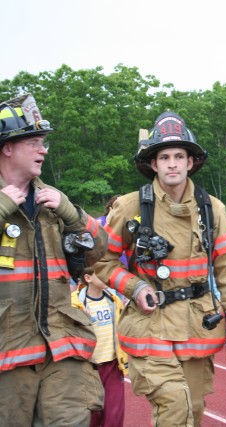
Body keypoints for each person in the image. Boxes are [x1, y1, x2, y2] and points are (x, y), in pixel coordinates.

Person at [94, 111, 226, 426]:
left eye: (179, 155)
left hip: (197, 328)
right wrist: (134, 287)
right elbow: (100, 261)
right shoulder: (131, 207)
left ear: (191, 162)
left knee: (192, 410)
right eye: (164, 157)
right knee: (175, 407)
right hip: (150, 328)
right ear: (153, 164)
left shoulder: (213, 209)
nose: (172, 163)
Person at [0, 94, 108, 425]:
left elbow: (98, 251)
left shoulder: (54, 202)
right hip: (7, 354)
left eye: (43, 142)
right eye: (34, 142)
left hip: (62, 348)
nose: (43, 150)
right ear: (7, 148)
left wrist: (70, 212)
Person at [71, 267, 128, 427]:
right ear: (88, 278)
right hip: (89, 369)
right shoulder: (76, 304)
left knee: (114, 415)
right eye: (101, 274)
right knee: (92, 416)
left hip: (113, 366)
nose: (107, 277)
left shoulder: (113, 300)